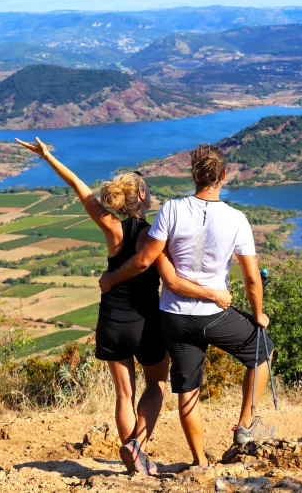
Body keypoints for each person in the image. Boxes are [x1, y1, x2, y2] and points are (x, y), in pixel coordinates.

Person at [15, 137, 232, 476]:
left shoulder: (111, 226)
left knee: (123, 394)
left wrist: (48, 157)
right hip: (144, 321)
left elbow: (78, 186)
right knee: (157, 384)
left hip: (110, 320)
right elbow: (174, 271)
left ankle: (133, 465)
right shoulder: (156, 235)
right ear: (142, 197)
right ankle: (136, 447)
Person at [99, 143, 277, 468]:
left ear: (193, 175)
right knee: (262, 352)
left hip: (175, 316)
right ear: (223, 176)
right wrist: (258, 314)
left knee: (186, 390)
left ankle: (199, 461)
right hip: (215, 314)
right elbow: (252, 279)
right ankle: (246, 425)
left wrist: (110, 280)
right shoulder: (237, 219)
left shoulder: (171, 209)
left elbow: (146, 259)